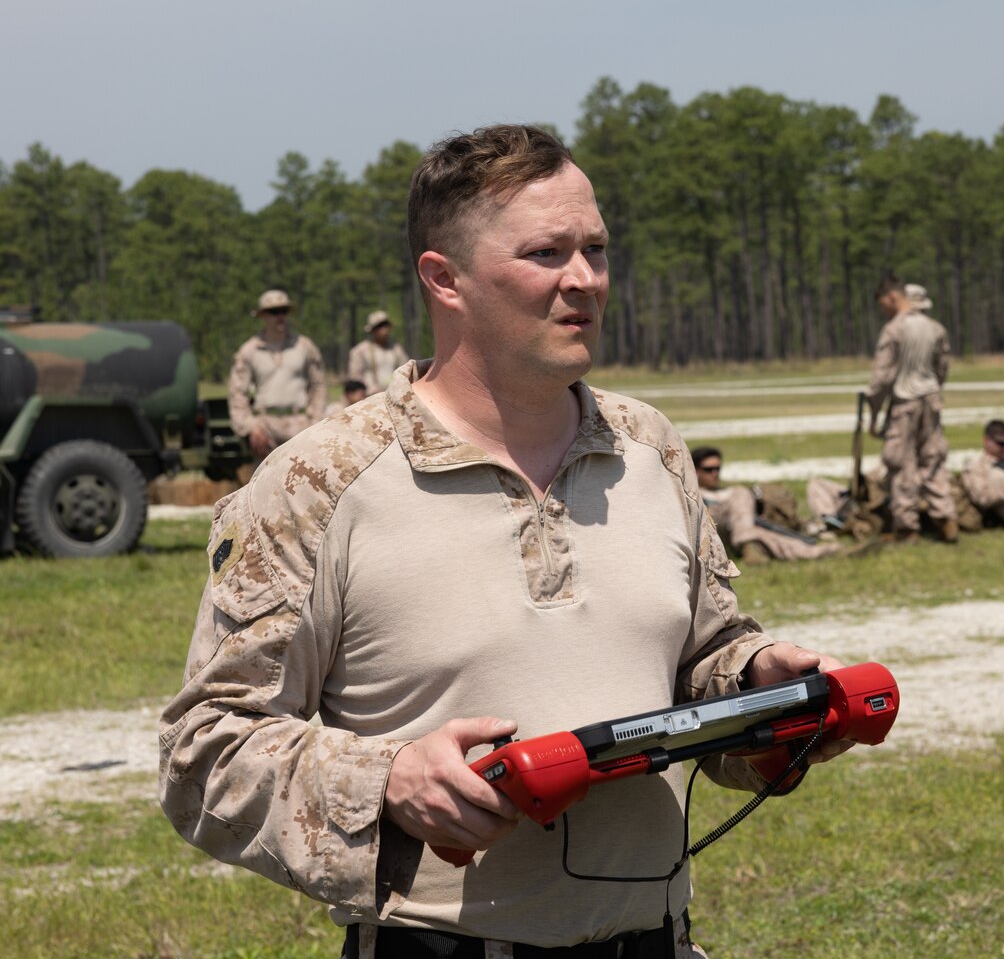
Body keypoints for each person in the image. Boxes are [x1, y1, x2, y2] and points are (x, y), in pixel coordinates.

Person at [159, 124, 853, 959]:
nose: (586, 280)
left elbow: (698, 659)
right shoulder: (322, 481)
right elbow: (206, 752)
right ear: (443, 279)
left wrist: (755, 688)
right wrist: (389, 783)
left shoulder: (649, 448)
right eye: (546, 253)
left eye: (596, 249)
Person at [863, 276, 958, 543]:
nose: (884, 310)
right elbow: (942, 367)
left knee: (901, 464)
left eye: (884, 304)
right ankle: (945, 518)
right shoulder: (935, 328)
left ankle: (906, 526)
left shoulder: (894, 329)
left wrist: (873, 410)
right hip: (930, 400)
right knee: (934, 460)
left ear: (892, 297)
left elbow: (881, 377)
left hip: (904, 403)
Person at [692, 446, 843, 564]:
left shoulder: (726, 490)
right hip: (713, 530)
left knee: (768, 537)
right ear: (696, 471)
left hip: (739, 532)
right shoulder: (692, 494)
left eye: (717, 469)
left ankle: (822, 552)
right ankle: (747, 542)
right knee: (741, 493)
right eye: (709, 470)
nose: (715, 473)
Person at [226, 288, 327, 460]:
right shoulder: (249, 351)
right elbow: (237, 393)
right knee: (264, 484)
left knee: (305, 482)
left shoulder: (304, 346)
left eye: (284, 311)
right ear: (263, 316)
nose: (280, 316)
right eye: (274, 312)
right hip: (266, 428)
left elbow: (318, 385)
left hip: (300, 425)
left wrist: (315, 421)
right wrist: (250, 427)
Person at [348, 310, 411, 396]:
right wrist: (369, 388)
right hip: (369, 398)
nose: (384, 329)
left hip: (395, 395)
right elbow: (355, 377)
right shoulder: (360, 351)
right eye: (379, 326)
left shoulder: (396, 349)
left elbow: (406, 370)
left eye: (385, 325)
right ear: (372, 330)